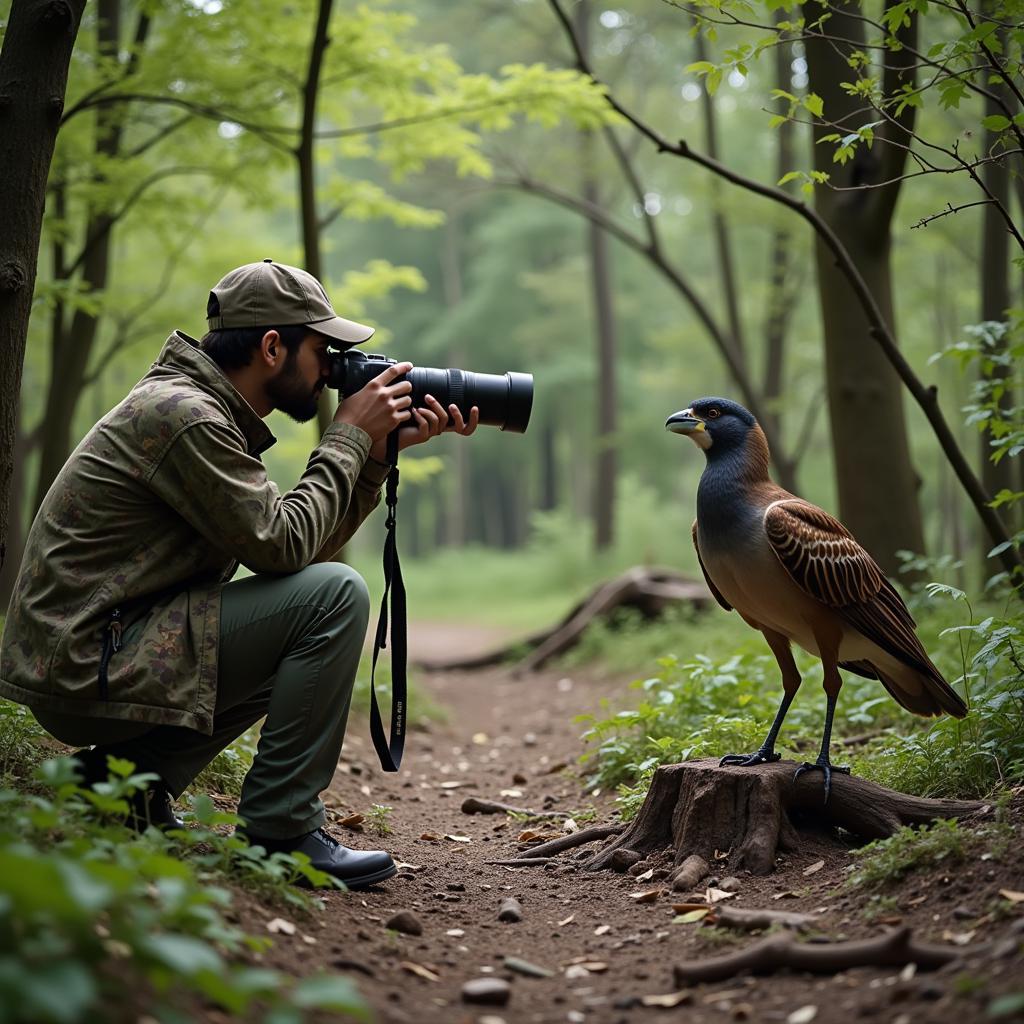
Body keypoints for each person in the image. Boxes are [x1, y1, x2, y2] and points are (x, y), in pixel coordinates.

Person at [0, 259, 477, 889]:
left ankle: (123, 786)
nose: (333, 367)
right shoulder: (186, 416)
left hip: (100, 651)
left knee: (307, 606)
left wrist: (370, 458)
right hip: (87, 661)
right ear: (273, 347)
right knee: (334, 597)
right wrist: (346, 438)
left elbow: (295, 552)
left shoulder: (196, 410)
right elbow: (283, 547)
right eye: (324, 349)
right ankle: (282, 830)